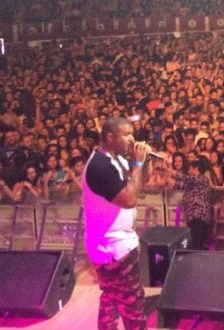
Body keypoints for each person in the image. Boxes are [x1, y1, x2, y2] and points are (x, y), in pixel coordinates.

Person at [82, 117, 150, 330]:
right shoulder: (100, 166)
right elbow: (129, 199)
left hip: (111, 244)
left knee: (111, 297)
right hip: (113, 247)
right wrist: (137, 163)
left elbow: (141, 182)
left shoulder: (116, 158)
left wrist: (144, 161)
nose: (132, 139)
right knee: (133, 303)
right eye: (127, 134)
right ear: (110, 137)